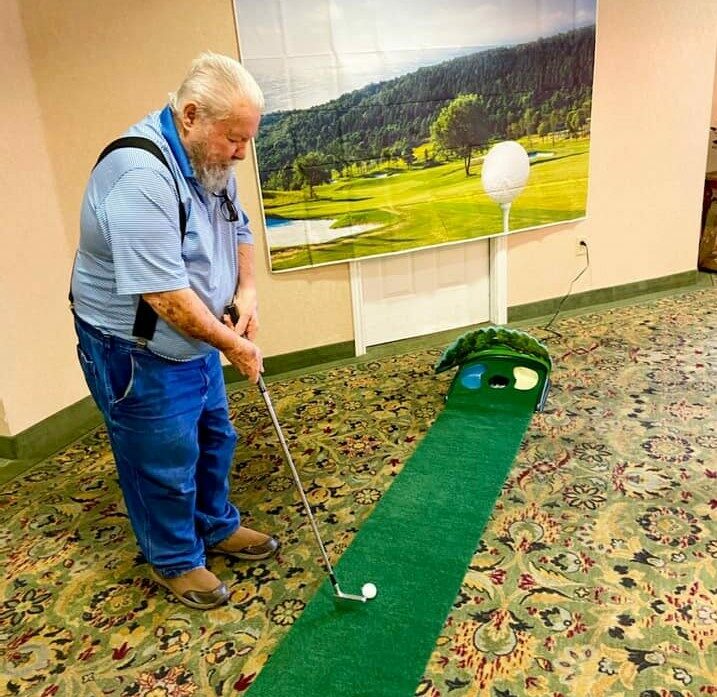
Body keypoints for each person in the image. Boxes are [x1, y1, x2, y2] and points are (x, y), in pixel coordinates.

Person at [70, 52, 278, 610]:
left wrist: (246, 294)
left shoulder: (211, 163)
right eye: (234, 139)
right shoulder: (141, 177)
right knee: (161, 457)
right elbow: (163, 297)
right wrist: (234, 343)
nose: (241, 152)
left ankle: (215, 525)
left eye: (247, 139)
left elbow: (239, 225)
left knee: (215, 438)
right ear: (190, 116)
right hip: (136, 347)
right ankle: (175, 558)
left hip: (199, 334)